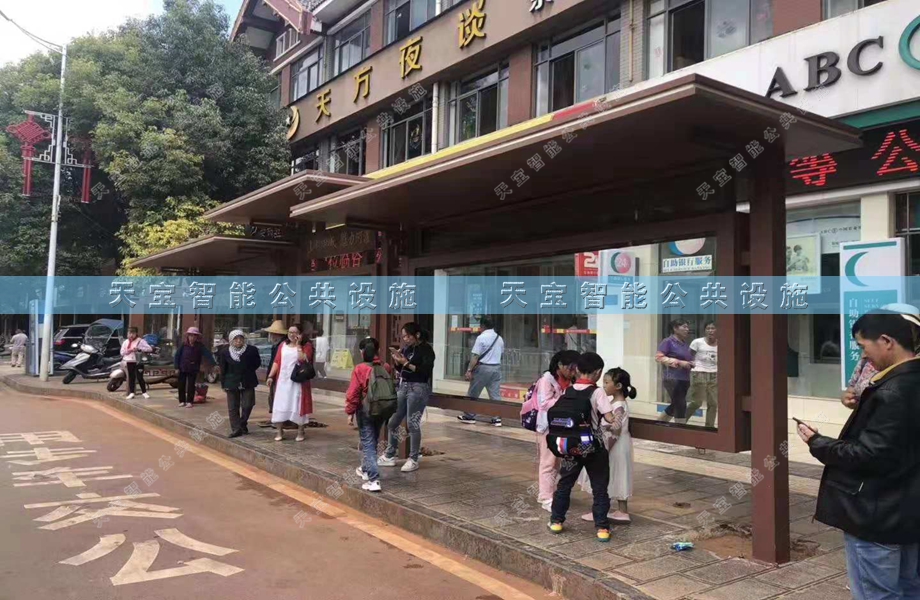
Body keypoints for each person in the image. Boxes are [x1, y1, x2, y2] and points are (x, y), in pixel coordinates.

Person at [797, 310, 920, 600]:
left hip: (877, 513)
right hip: (908, 511)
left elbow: (868, 455)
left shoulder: (893, 390)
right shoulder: (906, 381)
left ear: (886, 341)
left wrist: (817, 442)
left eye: (864, 346)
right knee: (910, 587)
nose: (864, 356)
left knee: (876, 593)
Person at [548, 352, 618, 543]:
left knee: (565, 484)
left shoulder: (568, 390)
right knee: (599, 487)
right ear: (598, 372)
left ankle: (556, 521)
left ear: (577, 370)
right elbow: (610, 418)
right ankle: (602, 528)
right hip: (592, 447)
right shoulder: (597, 392)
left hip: (572, 447)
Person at [578, 367, 635, 524]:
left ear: (618, 386)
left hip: (613, 446)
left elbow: (616, 429)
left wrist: (603, 450)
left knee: (604, 477)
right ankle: (622, 511)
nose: (603, 385)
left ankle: (599, 511)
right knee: (618, 475)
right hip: (619, 445)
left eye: (606, 382)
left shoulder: (618, 406)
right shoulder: (617, 403)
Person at [379, 322, 436, 473]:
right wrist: (397, 361)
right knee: (393, 421)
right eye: (403, 336)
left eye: (407, 336)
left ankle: (413, 458)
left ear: (417, 335)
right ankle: (390, 455)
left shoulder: (426, 350)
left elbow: (425, 371)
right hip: (403, 386)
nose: (405, 339)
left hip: (418, 388)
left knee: (412, 424)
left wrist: (407, 363)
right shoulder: (407, 349)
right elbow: (401, 369)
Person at [346, 338, 395, 493]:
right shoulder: (385, 367)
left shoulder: (360, 369)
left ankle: (374, 479)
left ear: (362, 352)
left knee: (367, 442)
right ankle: (366, 470)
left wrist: (350, 412)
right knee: (372, 440)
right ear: (378, 351)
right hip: (381, 409)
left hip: (365, 410)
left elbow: (353, 393)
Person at [533, 350, 580, 511]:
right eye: (570, 368)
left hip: (562, 426)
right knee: (548, 462)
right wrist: (566, 398)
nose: (573, 372)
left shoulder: (570, 380)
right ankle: (546, 497)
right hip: (548, 426)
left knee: (557, 462)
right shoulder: (546, 380)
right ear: (560, 365)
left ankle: (549, 492)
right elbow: (544, 403)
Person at [265, 324, 314, 442]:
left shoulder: (306, 346)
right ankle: (279, 431)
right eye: (290, 332)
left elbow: (303, 359)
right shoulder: (283, 345)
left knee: (297, 405)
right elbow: (277, 361)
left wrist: (298, 345)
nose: (292, 334)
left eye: (295, 332)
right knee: (280, 405)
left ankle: (300, 431)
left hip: (298, 382)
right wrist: (271, 376)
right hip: (283, 381)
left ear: (300, 334)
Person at [458, 316, 504, 427]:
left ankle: (469, 416)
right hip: (496, 368)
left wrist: (469, 370)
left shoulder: (481, 338)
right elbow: (501, 355)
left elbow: (475, 356)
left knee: (473, 393)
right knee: (495, 395)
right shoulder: (499, 338)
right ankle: (497, 418)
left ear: (482, 325)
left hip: (483, 368)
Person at [218, 330, 262, 439]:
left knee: (248, 404)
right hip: (231, 381)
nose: (238, 341)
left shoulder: (251, 350)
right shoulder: (225, 351)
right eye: (235, 339)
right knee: (233, 406)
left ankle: (242, 423)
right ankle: (236, 429)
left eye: (241, 338)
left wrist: (247, 370)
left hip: (248, 380)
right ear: (231, 340)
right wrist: (223, 383)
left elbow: (257, 363)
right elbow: (223, 368)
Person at [656, 319, 694, 423]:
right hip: (672, 378)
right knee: (681, 404)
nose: (687, 329)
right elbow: (659, 357)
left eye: (687, 327)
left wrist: (691, 363)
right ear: (675, 328)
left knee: (676, 404)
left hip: (684, 379)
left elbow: (687, 359)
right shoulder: (668, 341)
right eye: (684, 327)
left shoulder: (684, 344)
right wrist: (679, 362)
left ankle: (659, 423)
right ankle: (681, 429)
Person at [685, 321, 718, 428]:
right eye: (708, 328)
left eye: (713, 328)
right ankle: (680, 421)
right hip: (699, 373)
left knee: (713, 403)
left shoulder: (721, 343)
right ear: (704, 330)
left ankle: (709, 427)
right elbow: (688, 356)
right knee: (697, 402)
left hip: (715, 374)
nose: (710, 331)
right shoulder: (697, 342)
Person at [173, 327, 214, 408]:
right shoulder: (183, 345)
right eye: (190, 335)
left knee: (191, 385)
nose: (192, 337)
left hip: (193, 368)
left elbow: (208, 354)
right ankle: (182, 401)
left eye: (194, 336)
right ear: (188, 336)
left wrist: (214, 364)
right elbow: (177, 356)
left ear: (197, 337)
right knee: (181, 385)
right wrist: (176, 367)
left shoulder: (199, 346)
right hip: (182, 367)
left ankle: (189, 401)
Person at [263, 320, 288, 414]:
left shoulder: (282, 345)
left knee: (276, 397)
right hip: (275, 375)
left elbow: (276, 362)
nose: (271, 336)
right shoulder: (277, 345)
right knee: (273, 396)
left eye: (272, 334)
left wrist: (271, 376)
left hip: (279, 375)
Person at [121, 327, 153, 400]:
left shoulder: (141, 341)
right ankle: (132, 392)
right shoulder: (125, 342)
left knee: (139, 377)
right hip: (129, 361)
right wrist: (129, 350)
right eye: (130, 333)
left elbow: (149, 349)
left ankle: (144, 392)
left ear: (136, 334)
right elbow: (122, 352)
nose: (131, 335)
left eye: (133, 333)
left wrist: (139, 349)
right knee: (131, 377)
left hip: (138, 361)